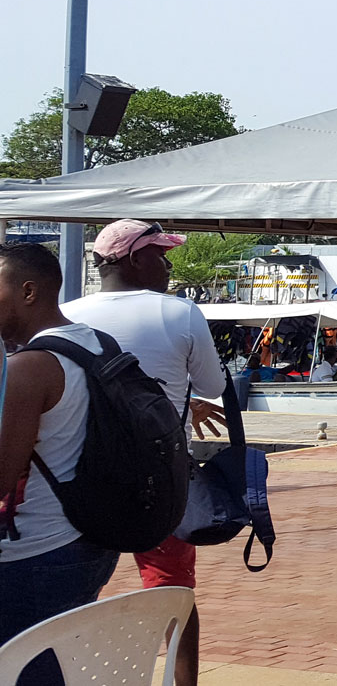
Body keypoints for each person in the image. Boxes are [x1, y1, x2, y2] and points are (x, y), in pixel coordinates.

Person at [64, 219, 226, 686]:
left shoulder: (66, 312)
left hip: (79, 476)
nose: (169, 263)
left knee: (75, 594)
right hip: (160, 478)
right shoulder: (179, 312)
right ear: (135, 258)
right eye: (160, 253)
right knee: (173, 591)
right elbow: (213, 385)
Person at [0, 244, 122, 686]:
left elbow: (2, 473)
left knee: (28, 672)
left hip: (34, 553)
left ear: (28, 291)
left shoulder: (29, 367)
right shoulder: (95, 342)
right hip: (88, 539)